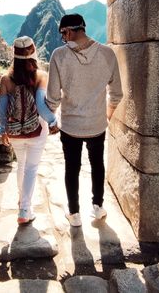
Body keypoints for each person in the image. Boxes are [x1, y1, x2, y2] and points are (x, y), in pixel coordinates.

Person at [46, 14, 123, 227]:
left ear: (68, 31)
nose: (62, 39)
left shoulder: (59, 56)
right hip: (97, 125)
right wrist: (106, 115)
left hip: (71, 126)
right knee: (98, 165)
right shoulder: (108, 54)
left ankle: (74, 214)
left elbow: (53, 97)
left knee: (72, 168)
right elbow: (116, 93)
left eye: (62, 34)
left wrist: (49, 118)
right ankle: (98, 207)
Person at [0, 36, 58, 225]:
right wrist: (53, 120)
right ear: (33, 53)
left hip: (15, 131)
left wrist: (3, 129)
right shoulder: (40, 76)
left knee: (21, 164)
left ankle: (22, 200)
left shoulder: (6, 79)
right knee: (31, 168)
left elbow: (2, 108)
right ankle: (24, 209)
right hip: (36, 130)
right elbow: (40, 105)